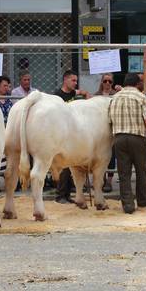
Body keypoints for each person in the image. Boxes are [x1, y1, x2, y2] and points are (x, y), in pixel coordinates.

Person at [108, 72, 146, 214]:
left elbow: (109, 120)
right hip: (137, 136)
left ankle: (128, 205)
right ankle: (143, 200)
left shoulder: (114, 98)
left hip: (119, 137)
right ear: (137, 83)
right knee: (141, 170)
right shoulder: (140, 97)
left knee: (123, 173)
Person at [53, 70, 90, 204]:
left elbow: (82, 92)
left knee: (71, 165)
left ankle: (67, 194)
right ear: (65, 80)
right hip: (61, 132)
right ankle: (60, 195)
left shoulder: (73, 93)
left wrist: (86, 94)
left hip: (73, 133)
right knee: (63, 166)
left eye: (76, 81)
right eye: (73, 80)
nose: (75, 83)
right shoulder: (57, 96)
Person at [94, 73, 119, 192]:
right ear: (101, 82)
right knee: (100, 155)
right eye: (105, 81)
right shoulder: (96, 95)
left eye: (110, 81)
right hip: (99, 127)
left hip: (112, 128)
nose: (107, 83)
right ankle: (101, 178)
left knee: (111, 155)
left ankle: (109, 181)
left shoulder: (116, 95)